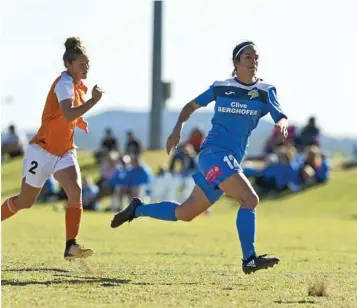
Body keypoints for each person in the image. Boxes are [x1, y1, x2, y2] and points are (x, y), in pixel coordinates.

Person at [111, 41, 288, 274]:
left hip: (229, 161)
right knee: (250, 199)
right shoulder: (220, 87)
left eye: (256, 57)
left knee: (186, 213)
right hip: (213, 154)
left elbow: (279, 113)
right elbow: (189, 106)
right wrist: (177, 130)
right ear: (235, 62)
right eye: (247, 57)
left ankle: (137, 210)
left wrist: (282, 122)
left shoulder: (265, 91)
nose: (253, 61)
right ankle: (249, 259)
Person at [1, 37, 104, 259]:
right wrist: (93, 102)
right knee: (25, 202)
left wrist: (80, 120)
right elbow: (67, 114)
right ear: (69, 65)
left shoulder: (77, 86)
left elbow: (68, 116)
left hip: (65, 151)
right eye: (81, 64)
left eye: (87, 64)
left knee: (75, 192)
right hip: (43, 150)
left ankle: (71, 245)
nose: (86, 68)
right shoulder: (64, 83)